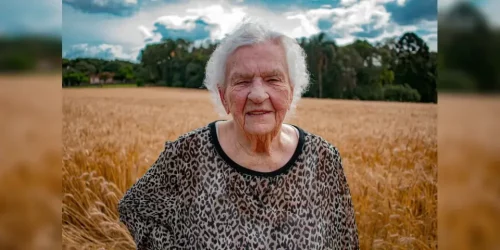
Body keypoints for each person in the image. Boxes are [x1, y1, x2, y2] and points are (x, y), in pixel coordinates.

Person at [118, 19, 359, 249]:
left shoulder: (323, 159)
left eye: (273, 79)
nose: (257, 95)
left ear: (291, 92)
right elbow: (135, 208)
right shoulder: (189, 153)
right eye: (242, 81)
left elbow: (344, 239)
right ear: (224, 97)